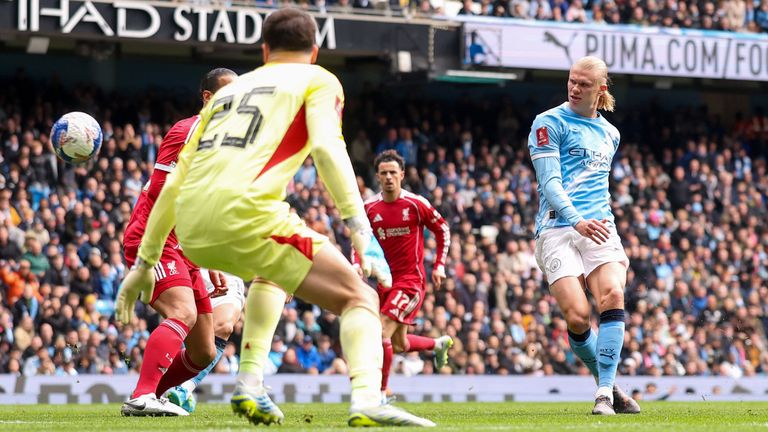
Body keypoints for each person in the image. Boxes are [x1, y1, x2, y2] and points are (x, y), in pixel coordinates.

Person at [116, 7, 435, 428]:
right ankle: (367, 399)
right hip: (246, 213)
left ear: (264, 50)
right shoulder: (318, 79)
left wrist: (143, 263)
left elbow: (174, 186)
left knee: (273, 272)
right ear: (315, 50)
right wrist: (361, 232)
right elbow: (326, 149)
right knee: (361, 297)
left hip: (191, 229)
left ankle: (250, 382)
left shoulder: (228, 94)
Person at [118, 68, 237, 417]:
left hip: (185, 246)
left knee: (203, 349)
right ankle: (142, 396)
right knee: (181, 312)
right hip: (153, 238)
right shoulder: (188, 131)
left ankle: (152, 394)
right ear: (207, 98)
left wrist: (207, 260)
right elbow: (159, 191)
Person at [527, 56, 640, 416]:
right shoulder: (548, 123)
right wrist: (576, 220)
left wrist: (591, 223)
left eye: (583, 84)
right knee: (577, 317)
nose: (575, 88)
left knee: (613, 293)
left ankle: (604, 393)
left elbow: (598, 186)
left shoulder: (611, 134)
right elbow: (550, 183)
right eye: (571, 81)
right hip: (557, 228)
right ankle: (608, 384)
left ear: (600, 89)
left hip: (599, 226)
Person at [361, 150, 453, 403]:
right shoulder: (369, 208)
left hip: (411, 281)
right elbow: (358, 239)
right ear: (378, 177)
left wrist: (439, 265)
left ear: (402, 175)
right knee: (398, 344)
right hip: (383, 282)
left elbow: (442, 228)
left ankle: (380, 394)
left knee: (379, 333)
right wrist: (358, 263)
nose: (389, 177)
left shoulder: (416, 203)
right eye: (384, 173)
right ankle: (437, 344)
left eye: (393, 172)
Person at [165, 269, 247, 413]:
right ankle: (151, 388)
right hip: (185, 266)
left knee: (223, 327)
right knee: (185, 328)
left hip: (226, 274)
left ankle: (184, 387)